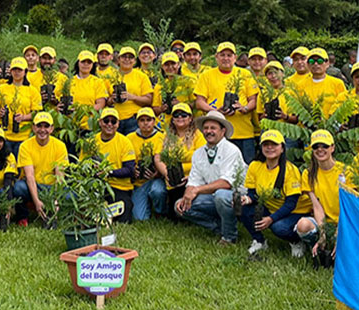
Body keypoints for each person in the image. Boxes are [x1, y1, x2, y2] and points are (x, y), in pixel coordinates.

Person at [175, 111, 245, 243]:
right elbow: (193, 181)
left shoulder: (232, 150)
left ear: (222, 131)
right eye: (206, 128)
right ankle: (219, 227)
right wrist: (187, 194)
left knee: (221, 196)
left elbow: (226, 183)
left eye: (213, 128)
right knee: (180, 206)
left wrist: (196, 190)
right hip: (212, 196)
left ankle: (229, 237)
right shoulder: (198, 153)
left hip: (237, 198)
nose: (208, 131)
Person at [241, 130, 313, 256]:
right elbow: (253, 193)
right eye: (266, 144)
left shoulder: (290, 170)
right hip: (272, 207)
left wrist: (270, 219)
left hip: (297, 211)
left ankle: (296, 241)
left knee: (279, 227)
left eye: (274, 144)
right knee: (244, 209)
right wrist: (247, 199)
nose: (269, 147)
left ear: (282, 148)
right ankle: (259, 241)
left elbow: (291, 204)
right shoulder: (255, 165)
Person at [194, 42, 259, 162]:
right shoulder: (206, 75)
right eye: (222, 55)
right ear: (216, 57)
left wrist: (244, 108)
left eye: (229, 55)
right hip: (217, 134)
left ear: (235, 57)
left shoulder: (245, 74)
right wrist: (215, 111)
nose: (226, 58)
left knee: (245, 169)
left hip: (243, 133)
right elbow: (199, 102)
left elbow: (253, 101)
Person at [296, 131, 350, 259]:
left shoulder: (346, 172)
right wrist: (323, 233)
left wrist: (339, 232)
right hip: (324, 222)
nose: (320, 150)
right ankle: (317, 246)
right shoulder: (308, 174)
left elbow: (348, 207)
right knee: (302, 225)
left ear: (332, 147)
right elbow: (317, 206)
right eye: (316, 147)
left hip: (344, 221)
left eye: (324, 146)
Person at [85, 108, 136, 223]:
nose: (109, 124)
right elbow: (83, 165)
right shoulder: (91, 142)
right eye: (106, 121)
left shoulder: (125, 142)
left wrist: (109, 172)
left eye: (113, 122)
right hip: (97, 186)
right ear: (100, 122)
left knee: (124, 216)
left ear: (118, 124)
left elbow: (130, 170)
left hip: (119, 186)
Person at [15, 112, 67, 221]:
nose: (42, 130)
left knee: (72, 195)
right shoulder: (25, 146)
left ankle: (61, 214)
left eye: (46, 126)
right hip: (34, 186)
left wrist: (56, 199)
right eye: (39, 126)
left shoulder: (60, 146)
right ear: (33, 128)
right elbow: (30, 176)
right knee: (18, 188)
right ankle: (22, 217)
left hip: (51, 188)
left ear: (52, 128)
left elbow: (60, 176)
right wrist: (36, 201)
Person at [61, 51, 110, 152]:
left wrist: (84, 110)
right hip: (71, 126)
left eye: (89, 62)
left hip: (90, 127)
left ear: (93, 65)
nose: (86, 65)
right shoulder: (69, 82)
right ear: (78, 63)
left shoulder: (97, 82)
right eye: (83, 62)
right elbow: (62, 100)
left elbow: (101, 104)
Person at [0, 57, 41, 154]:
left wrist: (24, 117)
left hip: (24, 136)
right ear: (10, 71)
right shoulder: (2, 88)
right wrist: (0, 112)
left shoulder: (32, 91)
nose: (17, 72)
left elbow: (37, 113)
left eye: (20, 70)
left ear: (25, 71)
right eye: (14, 69)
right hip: (5, 135)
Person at [127, 108, 167, 221]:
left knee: (157, 191)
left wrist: (158, 173)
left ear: (154, 121)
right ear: (138, 122)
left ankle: (161, 211)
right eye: (142, 120)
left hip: (157, 179)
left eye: (148, 120)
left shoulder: (162, 137)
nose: (145, 123)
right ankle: (147, 206)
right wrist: (133, 170)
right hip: (139, 182)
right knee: (140, 218)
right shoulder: (129, 138)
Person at [107, 47, 154, 135]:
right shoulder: (111, 77)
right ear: (119, 59)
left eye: (130, 57)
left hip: (134, 119)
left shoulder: (141, 76)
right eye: (124, 57)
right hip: (114, 120)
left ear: (135, 61)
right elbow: (105, 101)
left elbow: (149, 100)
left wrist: (133, 97)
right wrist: (111, 100)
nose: (127, 60)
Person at [150, 51, 194, 128]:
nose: (170, 67)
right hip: (165, 125)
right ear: (162, 67)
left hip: (184, 122)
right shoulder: (159, 86)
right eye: (166, 65)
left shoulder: (188, 81)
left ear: (178, 65)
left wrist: (181, 105)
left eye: (173, 64)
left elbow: (196, 103)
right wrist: (161, 108)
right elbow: (155, 108)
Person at [300, 48, 348, 118]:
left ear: (327, 63)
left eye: (320, 61)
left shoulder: (337, 84)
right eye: (312, 61)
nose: (316, 64)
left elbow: (345, 107)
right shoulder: (300, 85)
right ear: (307, 64)